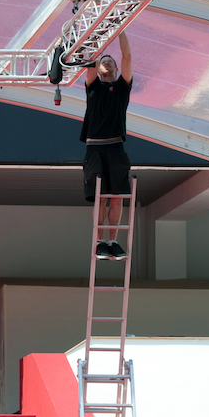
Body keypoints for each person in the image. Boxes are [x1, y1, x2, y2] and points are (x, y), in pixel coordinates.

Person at [81, 31, 133, 261]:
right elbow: (90, 61)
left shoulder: (123, 88)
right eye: (104, 60)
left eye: (111, 61)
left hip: (116, 147)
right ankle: (100, 242)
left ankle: (112, 242)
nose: (107, 62)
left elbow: (128, 56)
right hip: (95, 147)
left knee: (118, 197)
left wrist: (120, 29)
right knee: (101, 196)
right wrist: (99, 32)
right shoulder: (93, 87)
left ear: (116, 68)